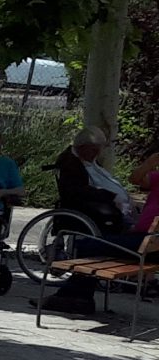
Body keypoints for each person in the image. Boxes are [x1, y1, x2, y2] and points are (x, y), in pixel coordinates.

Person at [44, 128, 146, 313]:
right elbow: (77, 192)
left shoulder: (84, 159)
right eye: (95, 150)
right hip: (94, 214)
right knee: (92, 248)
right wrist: (112, 197)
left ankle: (71, 298)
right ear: (83, 147)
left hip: (135, 238)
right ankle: (73, 297)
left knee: (89, 247)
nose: (98, 154)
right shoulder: (71, 163)